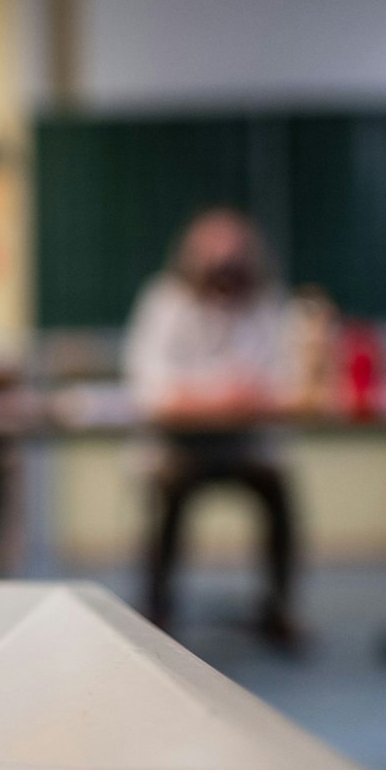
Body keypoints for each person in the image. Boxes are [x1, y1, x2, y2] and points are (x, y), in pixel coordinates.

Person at [122, 207, 301, 648]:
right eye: (213, 255)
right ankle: (158, 613)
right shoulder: (164, 303)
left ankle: (278, 609)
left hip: (246, 446)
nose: (225, 267)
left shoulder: (266, 305)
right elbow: (149, 387)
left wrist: (250, 394)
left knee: (278, 491)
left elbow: (288, 380)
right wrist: (219, 394)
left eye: (234, 255)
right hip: (179, 447)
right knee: (168, 495)